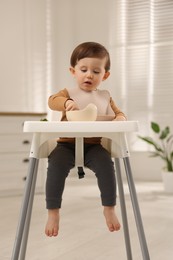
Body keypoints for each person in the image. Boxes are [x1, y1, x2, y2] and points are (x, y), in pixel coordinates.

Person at [45, 42, 126, 237]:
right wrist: (66, 102)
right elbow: (52, 100)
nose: (89, 75)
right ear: (73, 71)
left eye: (96, 71)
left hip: (93, 145)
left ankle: (109, 208)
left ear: (104, 75)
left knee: (107, 165)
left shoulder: (105, 97)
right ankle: (53, 212)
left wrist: (121, 118)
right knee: (55, 167)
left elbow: (118, 114)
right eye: (83, 69)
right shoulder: (67, 94)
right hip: (66, 144)